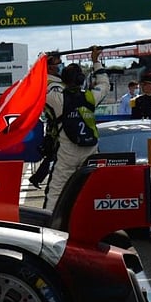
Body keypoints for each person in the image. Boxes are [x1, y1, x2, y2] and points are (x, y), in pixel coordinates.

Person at [43, 47, 109, 211]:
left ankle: (49, 225)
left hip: (67, 152)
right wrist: (95, 61)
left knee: (56, 193)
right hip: (90, 150)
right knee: (93, 191)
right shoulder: (91, 96)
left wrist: (42, 63)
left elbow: (39, 86)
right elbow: (104, 84)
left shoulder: (58, 98)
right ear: (81, 79)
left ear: (63, 80)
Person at [29, 53, 65, 189]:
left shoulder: (56, 82)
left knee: (51, 158)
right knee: (54, 159)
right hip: (58, 132)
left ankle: (37, 179)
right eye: (58, 63)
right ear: (50, 67)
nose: (61, 65)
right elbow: (62, 107)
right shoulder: (51, 85)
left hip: (55, 130)